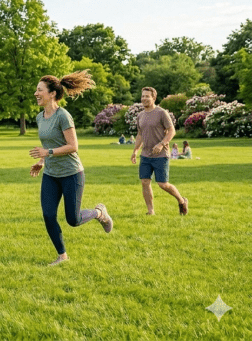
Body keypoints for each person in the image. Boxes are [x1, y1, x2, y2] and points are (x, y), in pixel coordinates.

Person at [29, 71, 114, 267]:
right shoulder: (40, 117)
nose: (36, 93)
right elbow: (48, 144)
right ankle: (62, 256)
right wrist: (41, 161)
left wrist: (47, 152)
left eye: (39, 90)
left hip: (71, 173)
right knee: (48, 215)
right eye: (36, 90)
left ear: (52, 94)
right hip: (51, 174)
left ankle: (99, 213)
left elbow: (73, 146)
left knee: (73, 220)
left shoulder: (63, 116)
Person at [131, 87, 189, 216]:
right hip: (145, 155)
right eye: (142, 96)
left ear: (154, 98)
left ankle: (181, 200)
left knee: (163, 184)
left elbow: (172, 131)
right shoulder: (140, 115)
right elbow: (140, 135)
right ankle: (150, 211)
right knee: (145, 182)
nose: (144, 98)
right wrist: (135, 150)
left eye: (147, 96)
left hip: (161, 155)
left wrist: (162, 144)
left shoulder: (161, 113)